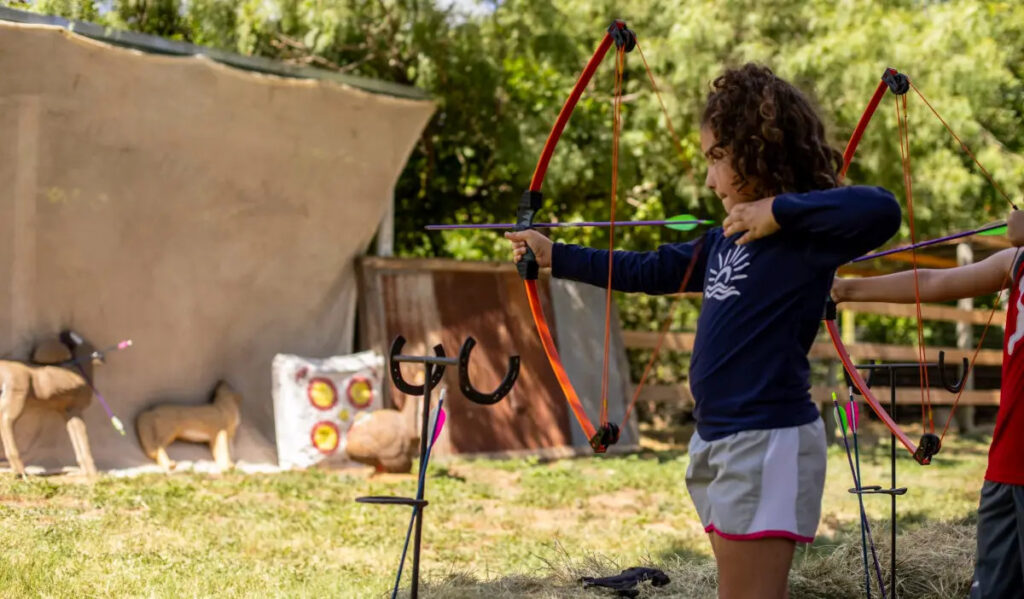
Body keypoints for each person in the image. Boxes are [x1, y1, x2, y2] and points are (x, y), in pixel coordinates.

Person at [505, 63, 901, 599]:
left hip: (765, 438)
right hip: (718, 437)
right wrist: (558, 257)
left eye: (719, 157)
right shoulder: (723, 242)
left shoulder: (805, 238)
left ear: (762, 150)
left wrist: (779, 211)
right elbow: (649, 270)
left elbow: (881, 209)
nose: (710, 179)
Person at [831, 208, 1024, 599]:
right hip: (1006, 466)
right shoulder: (1017, 262)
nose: (1014, 210)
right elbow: (932, 281)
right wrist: (841, 289)